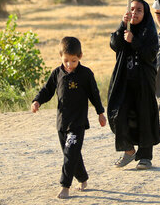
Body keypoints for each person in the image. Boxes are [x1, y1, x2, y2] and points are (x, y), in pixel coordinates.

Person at [32, 37, 107, 199]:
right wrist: (37, 101)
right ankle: (82, 178)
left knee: (70, 153)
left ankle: (65, 186)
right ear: (61, 56)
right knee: (72, 154)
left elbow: (94, 95)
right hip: (61, 123)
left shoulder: (86, 74)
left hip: (78, 123)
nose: (69, 65)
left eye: (73, 61)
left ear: (80, 56)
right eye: (66, 61)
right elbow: (47, 90)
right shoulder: (56, 74)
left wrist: (100, 113)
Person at [107, 0, 160, 170]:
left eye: (139, 10)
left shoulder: (149, 32)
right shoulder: (125, 29)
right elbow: (114, 45)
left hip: (144, 81)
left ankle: (145, 156)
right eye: (132, 9)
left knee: (144, 116)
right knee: (118, 113)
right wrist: (122, 26)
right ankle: (129, 150)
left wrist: (134, 41)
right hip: (124, 80)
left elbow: (150, 55)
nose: (135, 12)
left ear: (145, 13)